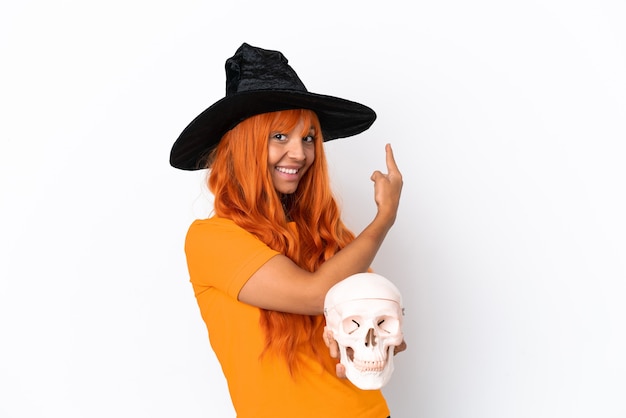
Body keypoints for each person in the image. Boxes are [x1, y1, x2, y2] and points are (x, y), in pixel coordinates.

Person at [170, 43, 404, 418]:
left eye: (308, 138)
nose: (299, 153)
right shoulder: (211, 239)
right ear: (244, 144)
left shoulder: (327, 233)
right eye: (280, 136)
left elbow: (373, 317)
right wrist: (383, 220)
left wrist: (373, 339)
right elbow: (313, 294)